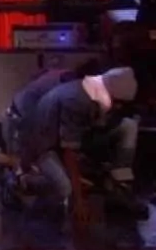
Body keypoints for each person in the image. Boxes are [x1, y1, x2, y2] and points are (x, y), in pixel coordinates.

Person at [9, 67, 139, 221]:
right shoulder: (76, 100)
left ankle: (119, 188)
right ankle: (22, 181)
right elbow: (69, 152)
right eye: (118, 103)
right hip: (45, 147)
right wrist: (79, 200)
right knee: (65, 189)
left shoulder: (97, 96)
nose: (119, 107)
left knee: (128, 126)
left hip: (73, 139)